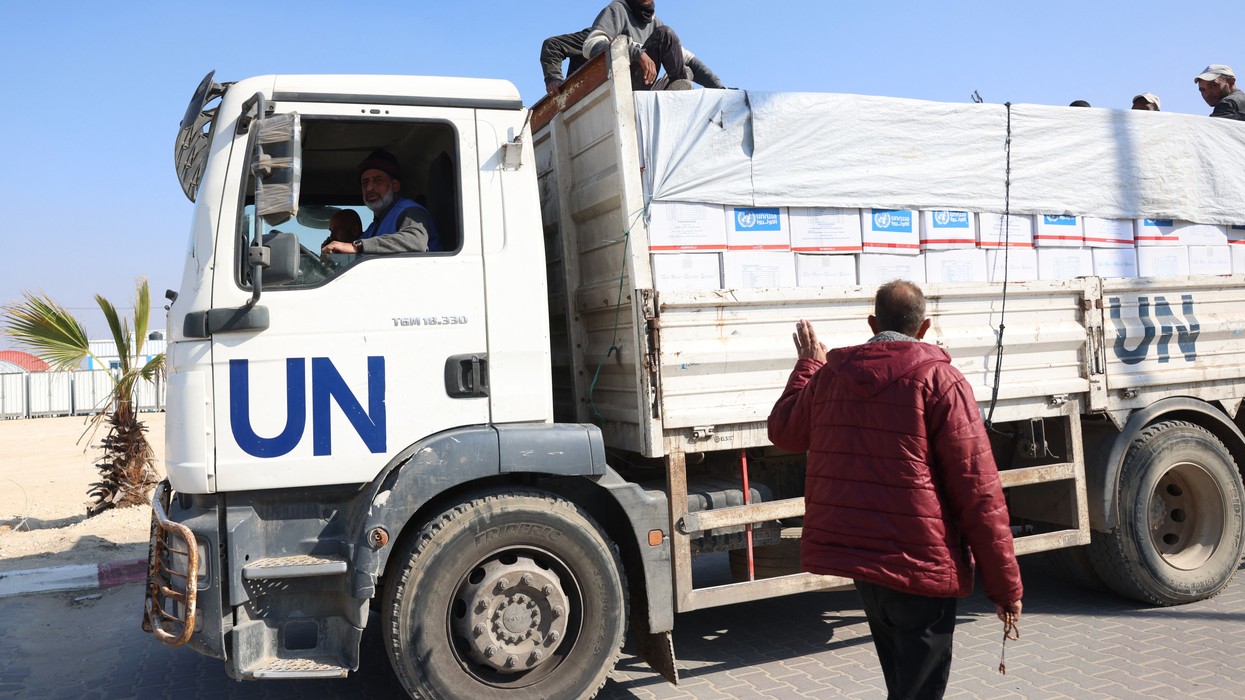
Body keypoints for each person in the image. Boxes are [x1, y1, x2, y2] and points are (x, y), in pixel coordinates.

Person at [767, 280, 1023, 699]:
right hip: (921, 565)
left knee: (903, 687)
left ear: (873, 323)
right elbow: (979, 492)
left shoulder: (830, 376)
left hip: (866, 568)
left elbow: (784, 431)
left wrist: (807, 367)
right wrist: (1006, 588)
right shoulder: (941, 379)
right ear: (924, 328)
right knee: (918, 690)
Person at [322, 149, 441, 255]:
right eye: (365, 183)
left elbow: (416, 241)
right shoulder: (373, 228)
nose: (369, 188)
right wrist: (334, 248)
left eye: (377, 181)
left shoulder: (411, 211)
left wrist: (356, 246)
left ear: (395, 186)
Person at [541, 28, 724, 94]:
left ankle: (670, 106)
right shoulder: (598, 36)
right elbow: (553, 45)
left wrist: (720, 89)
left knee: (687, 71)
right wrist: (554, 79)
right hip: (599, 92)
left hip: (637, 91)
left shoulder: (651, 34)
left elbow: (690, 60)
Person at [582, 0, 693, 92]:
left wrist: (711, 89)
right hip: (622, 86)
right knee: (665, 34)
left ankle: (680, 101)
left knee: (688, 72)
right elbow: (590, 45)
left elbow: (689, 59)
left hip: (646, 86)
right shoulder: (617, 10)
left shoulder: (656, 24)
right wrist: (637, 53)